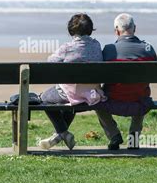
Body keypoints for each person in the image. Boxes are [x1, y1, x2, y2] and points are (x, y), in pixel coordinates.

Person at [38, 13, 106, 150]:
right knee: (70, 98)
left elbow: (50, 62)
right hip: (93, 93)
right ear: (90, 29)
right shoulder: (96, 45)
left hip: (73, 93)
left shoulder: (67, 48)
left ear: (71, 30)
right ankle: (60, 135)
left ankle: (63, 132)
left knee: (44, 99)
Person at [95, 13, 157, 150]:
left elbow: (101, 76)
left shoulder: (109, 50)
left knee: (96, 100)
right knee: (141, 91)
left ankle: (113, 134)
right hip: (139, 101)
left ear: (117, 30)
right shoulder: (148, 49)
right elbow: (151, 76)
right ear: (134, 28)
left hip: (112, 100)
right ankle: (134, 139)